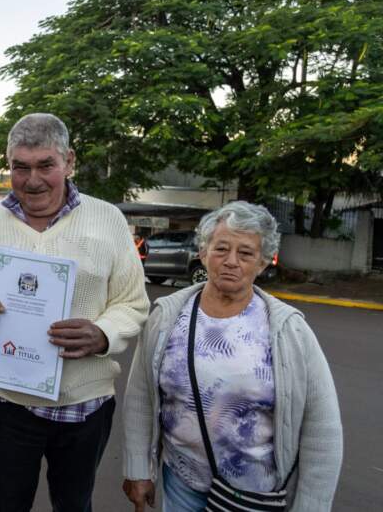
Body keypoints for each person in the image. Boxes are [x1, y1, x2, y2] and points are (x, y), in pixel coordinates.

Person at [0, 112, 150, 512]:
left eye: (46, 165)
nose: (32, 179)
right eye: (19, 167)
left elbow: (133, 301)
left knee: (74, 504)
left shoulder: (107, 218)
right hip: (9, 402)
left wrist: (104, 333)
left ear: (69, 162)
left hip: (85, 404)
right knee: (6, 502)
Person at [122, 201, 343, 511]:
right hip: (183, 481)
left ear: (264, 262)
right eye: (221, 248)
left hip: (253, 494)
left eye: (246, 253)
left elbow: (323, 427)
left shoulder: (287, 329)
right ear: (203, 252)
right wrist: (138, 468)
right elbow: (141, 397)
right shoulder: (168, 316)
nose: (231, 261)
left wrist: (312, 505)